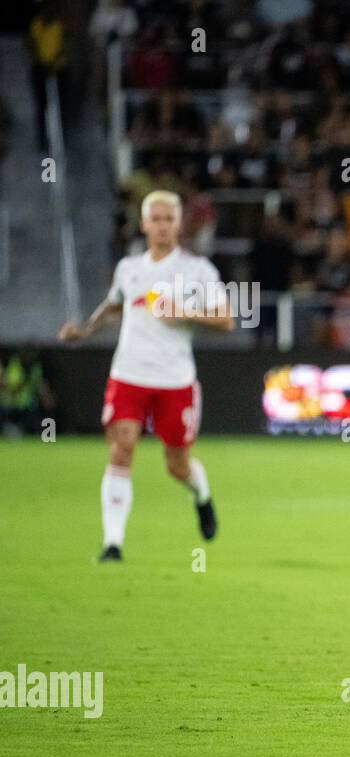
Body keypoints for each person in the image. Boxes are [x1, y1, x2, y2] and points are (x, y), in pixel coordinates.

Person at [58, 190, 233, 561]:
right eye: (155, 219)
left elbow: (227, 320)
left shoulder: (198, 271)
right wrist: (86, 329)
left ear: (179, 223)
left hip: (175, 380)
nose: (162, 226)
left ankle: (201, 495)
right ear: (144, 224)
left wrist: (185, 312)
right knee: (121, 450)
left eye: (169, 219)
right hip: (129, 373)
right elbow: (115, 305)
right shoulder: (129, 269)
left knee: (177, 464)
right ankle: (112, 543)